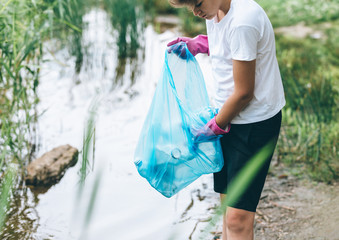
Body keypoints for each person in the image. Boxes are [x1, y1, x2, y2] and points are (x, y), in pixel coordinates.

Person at [167, 0, 285, 239]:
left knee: (237, 218)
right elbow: (234, 46)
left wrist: (215, 126)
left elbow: (244, 93)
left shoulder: (244, 20)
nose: (196, 12)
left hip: (253, 123)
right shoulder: (218, 10)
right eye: (190, 7)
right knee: (227, 206)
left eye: (197, 3)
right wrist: (200, 44)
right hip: (227, 116)